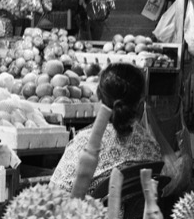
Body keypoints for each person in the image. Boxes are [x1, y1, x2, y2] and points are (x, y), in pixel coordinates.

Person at [49, 63, 162, 195]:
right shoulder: (151, 145)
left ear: (99, 97)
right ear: (140, 103)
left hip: (90, 209)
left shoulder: (83, 144)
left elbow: (54, 194)